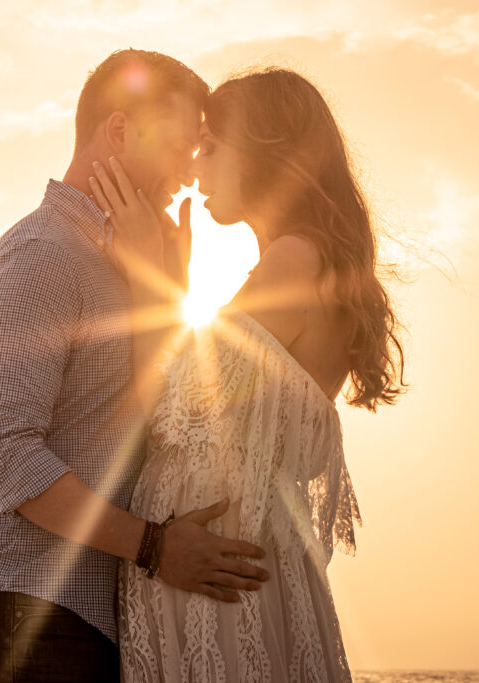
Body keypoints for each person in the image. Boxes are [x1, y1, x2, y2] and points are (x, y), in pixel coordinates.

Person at [0, 49, 270, 683]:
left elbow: (165, 417)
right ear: (118, 131)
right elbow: (5, 455)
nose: (190, 176)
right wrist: (154, 548)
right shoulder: (42, 255)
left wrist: (169, 286)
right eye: (179, 147)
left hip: (87, 623)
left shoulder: (127, 259)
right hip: (22, 614)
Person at [89, 68, 407, 682]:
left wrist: (146, 269)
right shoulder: (304, 260)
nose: (197, 165)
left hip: (220, 591)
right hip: (225, 577)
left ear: (264, 151)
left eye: (211, 146)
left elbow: (167, 410)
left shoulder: (294, 260)